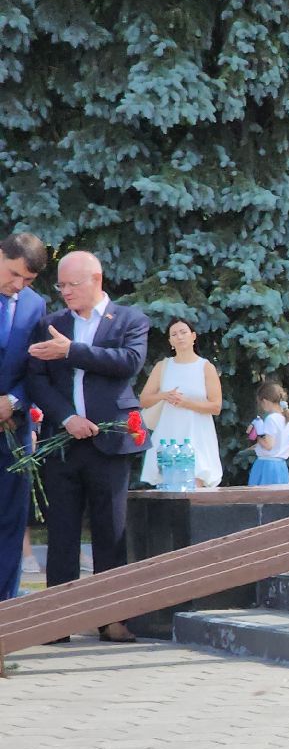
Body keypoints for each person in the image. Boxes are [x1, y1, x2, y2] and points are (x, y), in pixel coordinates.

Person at [27, 251, 150, 643]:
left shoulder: (130, 319)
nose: (64, 292)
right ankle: (57, 620)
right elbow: (37, 380)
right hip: (63, 441)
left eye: (71, 284)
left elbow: (128, 362)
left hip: (110, 441)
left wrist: (72, 351)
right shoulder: (50, 324)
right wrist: (66, 418)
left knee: (109, 530)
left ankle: (111, 616)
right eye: (60, 285)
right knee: (61, 531)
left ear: (96, 280)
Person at [0, 233, 50, 601]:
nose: (18, 286)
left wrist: (15, 402)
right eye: (13, 274)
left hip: (13, 433)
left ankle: (5, 612)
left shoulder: (35, 306)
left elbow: (38, 369)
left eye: (27, 280)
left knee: (10, 523)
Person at [138, 319, 224, 488]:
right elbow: (144, 399)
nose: (179, 337)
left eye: (183, 332)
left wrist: (187, 403)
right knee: (167, 484)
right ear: (170, 341)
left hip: (196, 434)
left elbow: (216, 406)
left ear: (193, 336)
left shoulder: (205, 367)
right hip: (168, 434)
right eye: (174, 334)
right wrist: (164, 395)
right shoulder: (163, 366)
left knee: (195, 483)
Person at [248, 382, 289, 485]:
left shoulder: (271, 419)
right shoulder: (288, 421)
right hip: (281, 467)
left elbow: (268, 445)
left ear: (265, 401)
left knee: (260, 498)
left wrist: (256, 436)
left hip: (266, 467)